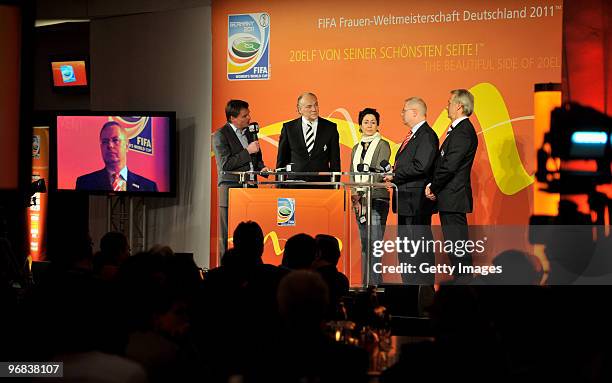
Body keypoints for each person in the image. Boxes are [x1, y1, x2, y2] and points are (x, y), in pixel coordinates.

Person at [425, 89, 478, 280]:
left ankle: (465, 290)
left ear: (459, 106)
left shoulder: (463, 132)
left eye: (449, 103)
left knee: (458, 248)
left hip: (453, 197)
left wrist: (433, 186)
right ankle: (463, 287)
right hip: (450, 198)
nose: (446, 106)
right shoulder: (460, 131)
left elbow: (449, 166)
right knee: (455, 247)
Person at [384, 97, 439, 284]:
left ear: (415, 112)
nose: (401, 113)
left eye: (404, 110)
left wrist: (395, 175)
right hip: (406, 201)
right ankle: (410, 288)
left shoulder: (427, 135)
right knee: (406, 250)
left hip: (416, 203)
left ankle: (422, 291)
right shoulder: (414, 135)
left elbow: (421, 166)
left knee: (418, 248)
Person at [212, 100, 270, 257]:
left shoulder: (250, 132)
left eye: (248, 114)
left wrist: (261, 168)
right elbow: (225, 164)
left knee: (250, 234)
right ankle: (225, 267)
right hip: (231, 190)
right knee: (227, 234)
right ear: (233, 118)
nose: (249, 118)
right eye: (244, 116)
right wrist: (247, 151)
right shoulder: (220, 135)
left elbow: (256, 159)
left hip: (250, 190)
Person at [349, 108, 391, 286]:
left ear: (378, 125)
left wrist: (364, 193)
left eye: (373, 122)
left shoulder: (383, 145)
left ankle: (375, 284)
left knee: (375, 244)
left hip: (376, 198)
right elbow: (352, 173)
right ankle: (367, 284)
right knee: (365, 244)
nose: (369, 125)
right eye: (366, 122)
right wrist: (355, 196)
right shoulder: (356, 148)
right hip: (360, 201)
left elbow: (379, 172)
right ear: (360, 125)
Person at [276, 92, 341, 183]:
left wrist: (335, 185)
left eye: (316, 105)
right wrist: (279, 185)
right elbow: (282, 161)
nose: (314, 109)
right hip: (294, 185)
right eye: (309, 106)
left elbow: (335, 162)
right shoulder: (289, 128)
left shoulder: (330, 128)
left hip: (322, 185)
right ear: (300, 109)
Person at [76, 121, 158, 192]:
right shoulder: (85, 183)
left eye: (115, 140)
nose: (110, 145)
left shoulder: (149, 187)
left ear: (127, 146)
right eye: (105, 142)